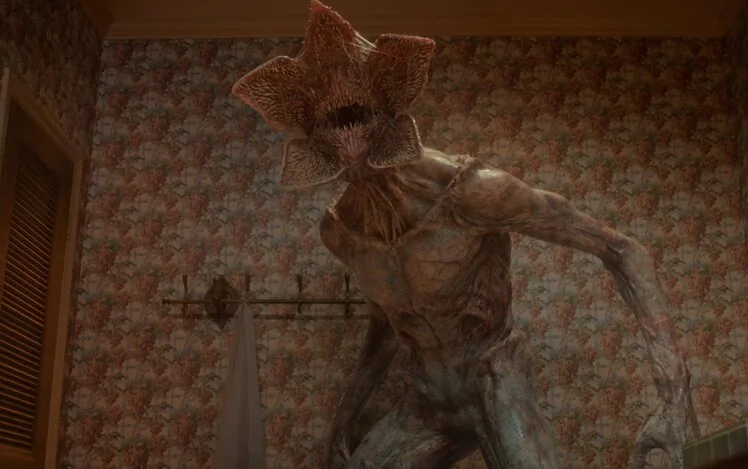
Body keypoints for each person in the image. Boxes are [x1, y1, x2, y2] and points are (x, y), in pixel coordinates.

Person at [232, 2, 700, 467]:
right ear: (307, 130)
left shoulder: (471, 191)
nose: (345, 128)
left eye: (355, 106)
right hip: (426, 397)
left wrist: (675, 397)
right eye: (328, 116)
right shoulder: (341, 232)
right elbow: (389, 322)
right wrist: (345, 417)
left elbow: (623, 250)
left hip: (494, 375)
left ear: (389, 103)